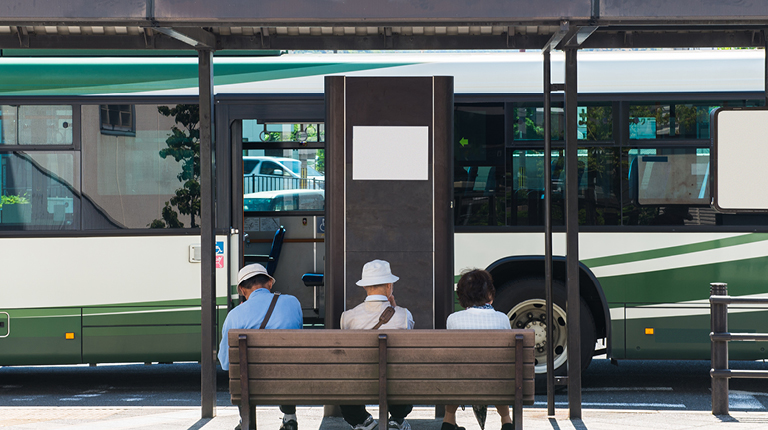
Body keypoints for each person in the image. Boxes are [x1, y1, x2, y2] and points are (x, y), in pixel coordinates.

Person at [218, 263, 303, 430]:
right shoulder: (292, 303)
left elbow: (225, 362)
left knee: (241, 373)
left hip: (251, 384)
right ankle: (290, 417)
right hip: (291, 381)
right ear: (270, 284)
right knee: (287, 363)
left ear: (242, 290)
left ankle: (246, 420)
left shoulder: (234, 315)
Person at [339, 259, 414, 430]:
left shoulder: (347, 317)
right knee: (405, 368)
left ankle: (361, 421)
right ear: (389, 286)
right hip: (395, 385)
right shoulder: (404, 315)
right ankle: (397, 419)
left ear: (365, 287)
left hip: (359, 385)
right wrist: (394, 308)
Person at [442, 269, 513, 430]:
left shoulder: (453, 320)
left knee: (454, 371)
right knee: (499, 373)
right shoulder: (502, 319)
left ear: (462, 296)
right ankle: (506, 420)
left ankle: (449, 419)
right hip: (498, 383)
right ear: (490, 294)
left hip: (462, 383)